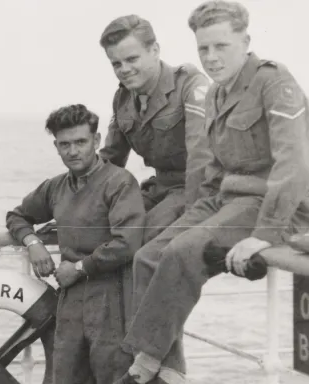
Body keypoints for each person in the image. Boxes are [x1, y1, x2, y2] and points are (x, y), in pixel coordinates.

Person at [114, 2, 309, 383]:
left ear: (245, 41)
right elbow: (214, 171)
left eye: (221, 46)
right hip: (226, 202)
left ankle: (142, 370)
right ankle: (169, 369)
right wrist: (192, 214)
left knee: (184, 251)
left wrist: (263, 237)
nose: (211, 58)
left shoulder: (274, 81)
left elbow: (293, 165)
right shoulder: (216, 95)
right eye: (204, 48)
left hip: (274, 206)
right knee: (148, 256)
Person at [6, 104, 146, 384]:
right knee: (65, 377)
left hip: (113, 296)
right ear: (56, 146)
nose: (73, 151)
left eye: (81, 142)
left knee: (114, 374)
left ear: (96, 141)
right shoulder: (56, 187)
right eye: (64, 144)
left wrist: (81, 268)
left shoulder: (119, 183)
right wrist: (33, 242)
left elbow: (127, 242)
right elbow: (17, 216)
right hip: (70, 299)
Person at [98, 14, 212, 244]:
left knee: (140, 240)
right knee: (100, 230)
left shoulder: (189, 84)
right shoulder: (123, 99)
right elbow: (110, 161)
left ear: (155, 50)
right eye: (116, 64)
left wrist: (195, 215)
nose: (124, 69)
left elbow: (201, 155)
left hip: (195, 187)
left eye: (132, 59)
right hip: (158, 188)